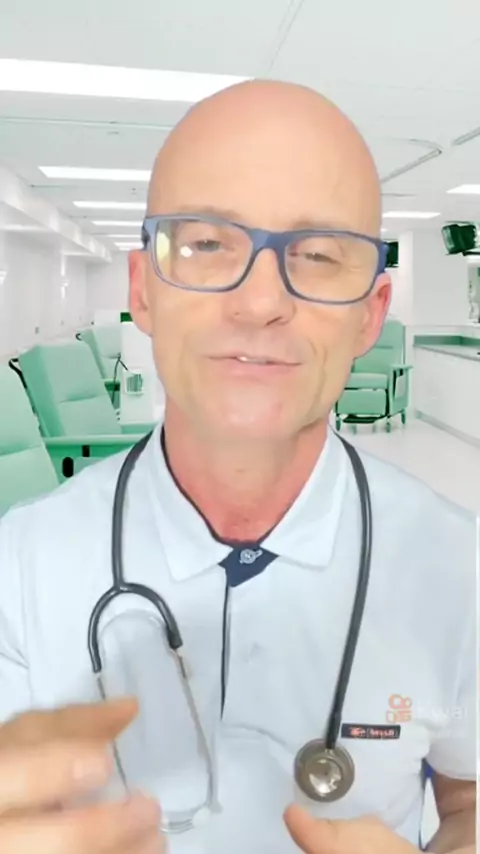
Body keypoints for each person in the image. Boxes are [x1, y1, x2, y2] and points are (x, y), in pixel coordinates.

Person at [0, 79, 476, 854]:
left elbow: (469, 799)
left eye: (318, 256)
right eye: (207, 244)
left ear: (370, 315)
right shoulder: (18, 568)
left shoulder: (462, 568)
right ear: (142, 290)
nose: (259, 304)